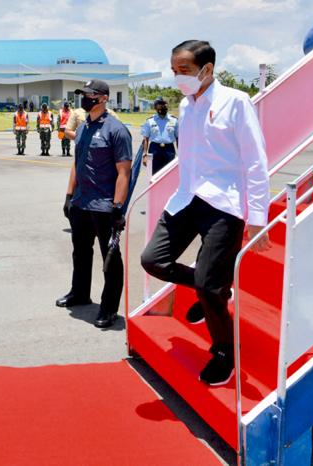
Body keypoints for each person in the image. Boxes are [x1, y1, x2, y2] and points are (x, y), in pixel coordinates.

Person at [140, 40, 269, 387]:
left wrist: (258, 218)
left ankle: (224, 353)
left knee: (209, 287)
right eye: (174, 71)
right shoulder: (186, 105)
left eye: (184, 70)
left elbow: (256, 161)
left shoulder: (236, 102)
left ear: (207, 69)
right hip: (188, 198)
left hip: (224, 203)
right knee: (153, 260)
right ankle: (211, 286)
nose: (177, 77)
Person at [57, 79, 132, 329]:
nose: (85, 98)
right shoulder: (82, 129)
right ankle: (80, 292)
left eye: (90, 94)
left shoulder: (116, 130)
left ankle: (109, 308)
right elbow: (76, 163)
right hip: (81, 202)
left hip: (104, 205)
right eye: (84, 94)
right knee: (80, 251)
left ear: (103, 98)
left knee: (110, 258)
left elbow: (124, 172)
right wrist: (69, 195)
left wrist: (118, 207)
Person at [140, 97, 179, 175]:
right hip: (154, 149)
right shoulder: (150, 121)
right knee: (154, 174)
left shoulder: (174, 120)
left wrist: (181, 154)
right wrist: (144, 155)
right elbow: (145, 138)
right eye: (160, 104)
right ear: (155, 107)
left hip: (169, 149)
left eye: (164, 104)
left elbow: (179, 138)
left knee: (169, 174)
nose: (162, 106)